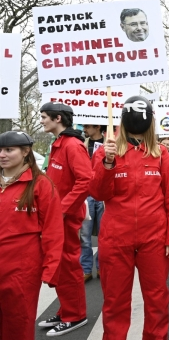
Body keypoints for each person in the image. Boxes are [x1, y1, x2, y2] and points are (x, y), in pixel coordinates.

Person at [89, 95, 169, 338]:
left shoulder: (161, 153)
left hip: (153, 238)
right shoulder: (106, 152)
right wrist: (107, 163)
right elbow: (98, 193)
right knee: (115, 302)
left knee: (157, 299)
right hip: (115, 238)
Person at [0, 131, 64, 340]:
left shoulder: (41, 184)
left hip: (21, 268)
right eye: (0, 150)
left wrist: (51, 269)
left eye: (9, 150)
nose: (2, 154)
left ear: (26, 151)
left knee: (18, 321)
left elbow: (53, 230)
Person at [38, 102, 92, 336]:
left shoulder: (72, 145)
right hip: (57, 216)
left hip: (65, 217)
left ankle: (75, 315)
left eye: (43, 117)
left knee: (68, 266)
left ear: (57, 118)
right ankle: (66, 309)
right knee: (60, 265)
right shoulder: (59, 144)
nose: (41, 121)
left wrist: (61, 209)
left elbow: (86, 181)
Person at [81, 124, 106, 282]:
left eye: (87, 126)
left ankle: (101, 267)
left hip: (103, 195)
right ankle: (86, 269)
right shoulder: (81, 144)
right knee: (84, 235)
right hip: (87, 194)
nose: (84, 129)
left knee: (104, 234)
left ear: (97, 127)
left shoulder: (110, 143)